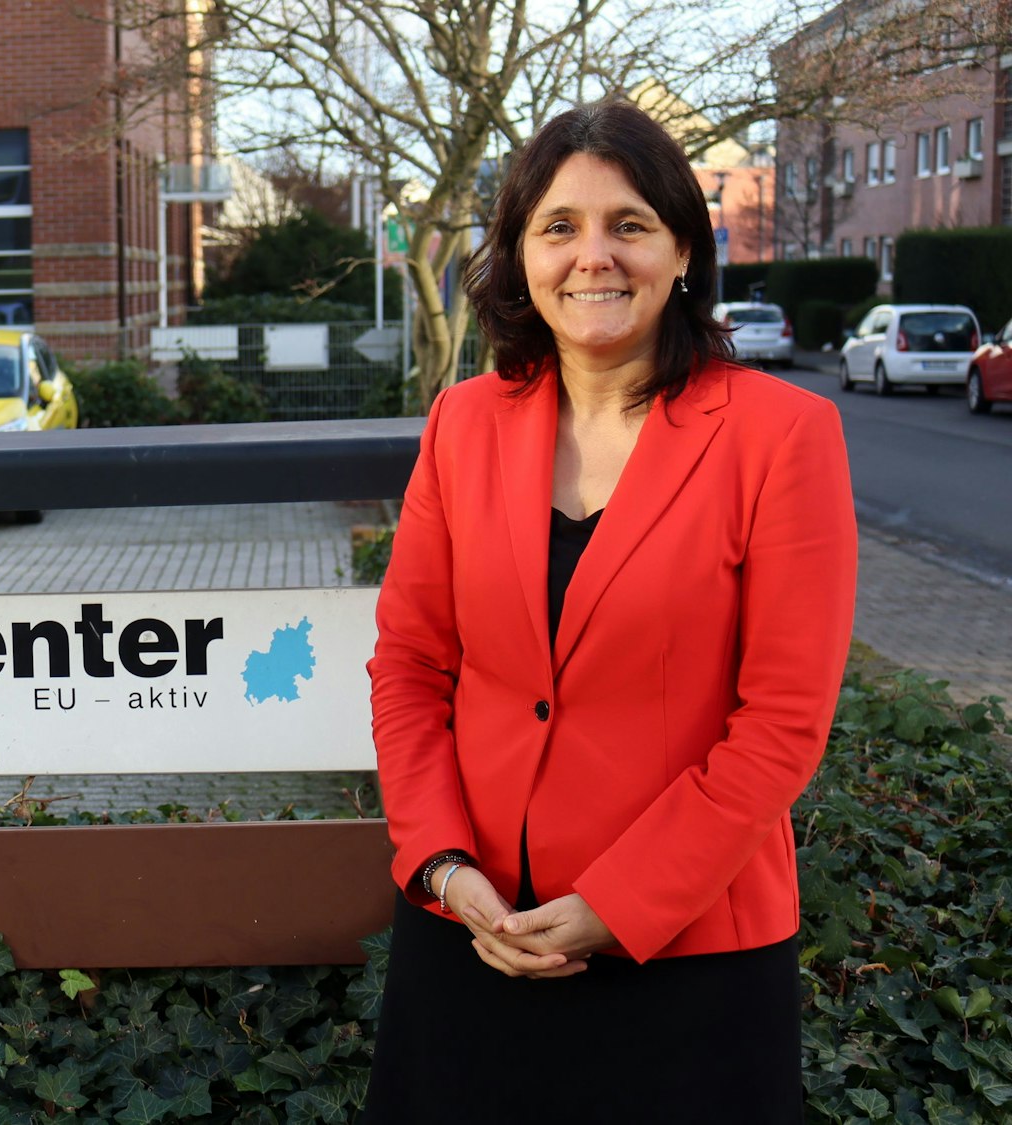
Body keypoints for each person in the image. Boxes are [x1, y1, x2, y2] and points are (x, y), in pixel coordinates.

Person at [363, 101, 856, 1123]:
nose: (593, 255)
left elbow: (780, 724)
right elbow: (409, 666)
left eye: (627, 223)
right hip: (476, 940)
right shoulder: (462, 424)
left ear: (681, 248)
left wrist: (614, 907)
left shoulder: (781, 437)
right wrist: (444, 870)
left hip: (688, 959)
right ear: (520, 256)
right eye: (558, 226)